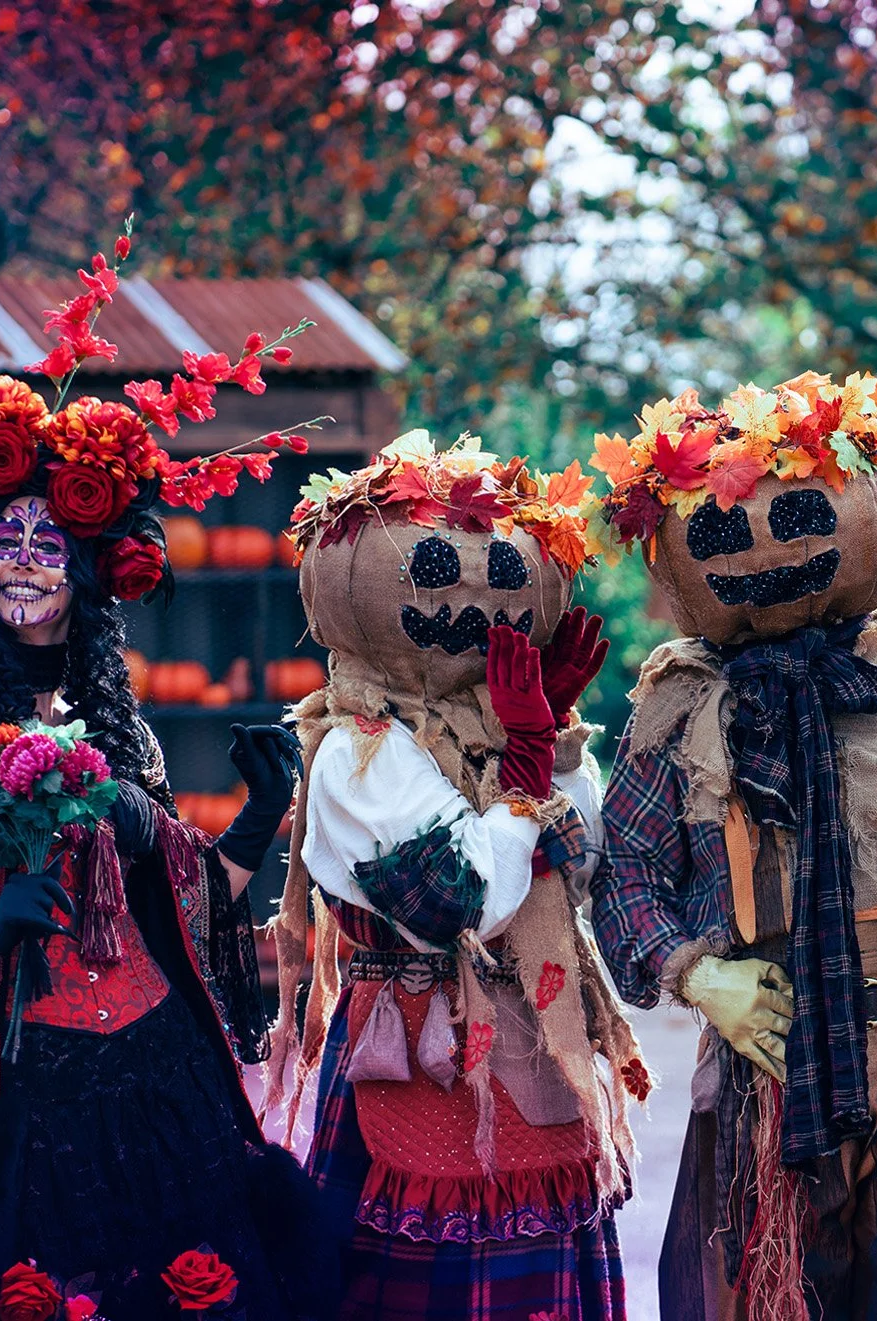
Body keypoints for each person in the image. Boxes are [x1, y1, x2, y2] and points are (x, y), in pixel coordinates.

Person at [0, 247, 328, 1320]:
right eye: (9, 539)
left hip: (151, 1080)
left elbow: (184, 913)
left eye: (52, 541)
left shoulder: (123, 739)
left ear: (87, 575)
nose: (30, 560)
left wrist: (262, 819)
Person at [587, 370, 877, 1321]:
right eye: (721, 531)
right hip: (764, 1055)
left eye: (796, 516)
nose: (762, 548)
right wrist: (696, 974)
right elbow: (624, 867)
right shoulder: (677, 702)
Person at [264, 433, 649, 1321]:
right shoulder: (359, 750)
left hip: (531, 1047)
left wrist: (545, 739)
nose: (471, 600)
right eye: (437, 572)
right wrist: (526, 762)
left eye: (500, 577)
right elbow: (462, 902)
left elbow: (581, 864)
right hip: (414, 1052)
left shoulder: (510, 722)